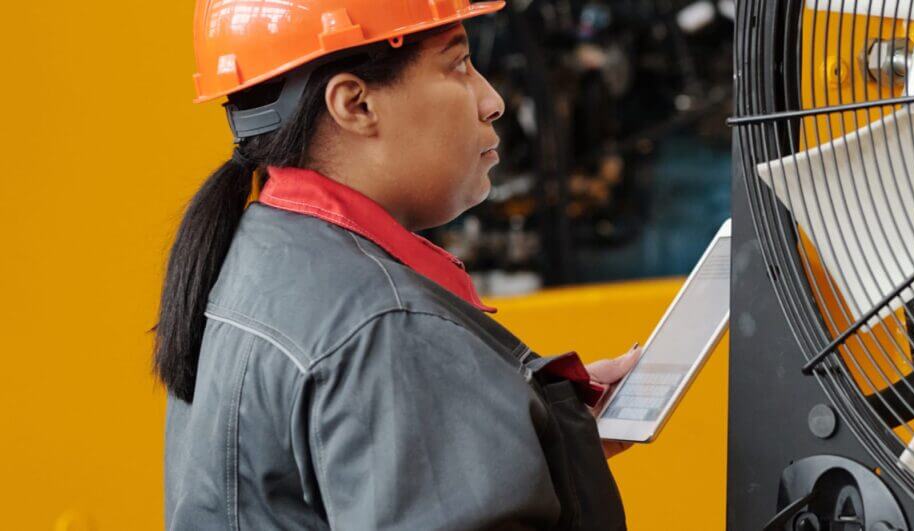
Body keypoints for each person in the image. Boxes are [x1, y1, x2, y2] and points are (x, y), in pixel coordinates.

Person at [155, 1, 635, 528]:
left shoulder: (257, 255)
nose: (491, 100)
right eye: (458, 65)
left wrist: (537, 431)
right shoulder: (388, 328)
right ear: (355, 105)